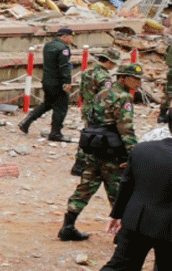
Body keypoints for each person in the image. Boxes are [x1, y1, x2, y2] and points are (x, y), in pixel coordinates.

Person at [58, 64, 141, 242]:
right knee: (118, 191)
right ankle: (122, 234)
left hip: (94, 146)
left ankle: (67, 226)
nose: (138, 83)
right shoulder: (124, 97)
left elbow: (90, 117)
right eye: (135, 78)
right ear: (122, 78)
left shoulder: (102, 93)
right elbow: (126, 129)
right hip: (113, 151)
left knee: (85, 187)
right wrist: (134, 155)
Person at [98, 122, 172, 270]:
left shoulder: (142, 149)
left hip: (138, 219)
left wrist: (117, 214)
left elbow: (127, 184)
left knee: (121, 265)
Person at [19, 27, 75, 142]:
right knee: (61, 107)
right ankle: (56, 133)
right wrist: (67, 82)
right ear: (64, 36)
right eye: (70, 36)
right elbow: (64, 67)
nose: (71, 39)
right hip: (58, 82)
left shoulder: (49, 45)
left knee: (49, 103)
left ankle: (26, 122)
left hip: (47, 80)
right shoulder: (63, 48)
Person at [70, 48, 120, 176]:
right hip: (97, 110)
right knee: (94, 136)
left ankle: (80, 164)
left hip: (87, 106)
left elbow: (82, 90)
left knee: (87, 133)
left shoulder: (88, 71)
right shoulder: (104, 77)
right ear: (109, 61)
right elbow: (107, 96)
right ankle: (83, 165)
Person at [158, 37, 172, 124]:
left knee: (168, 93)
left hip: (170, 71)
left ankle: (162, 116)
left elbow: (166, 57)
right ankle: (168, 116)